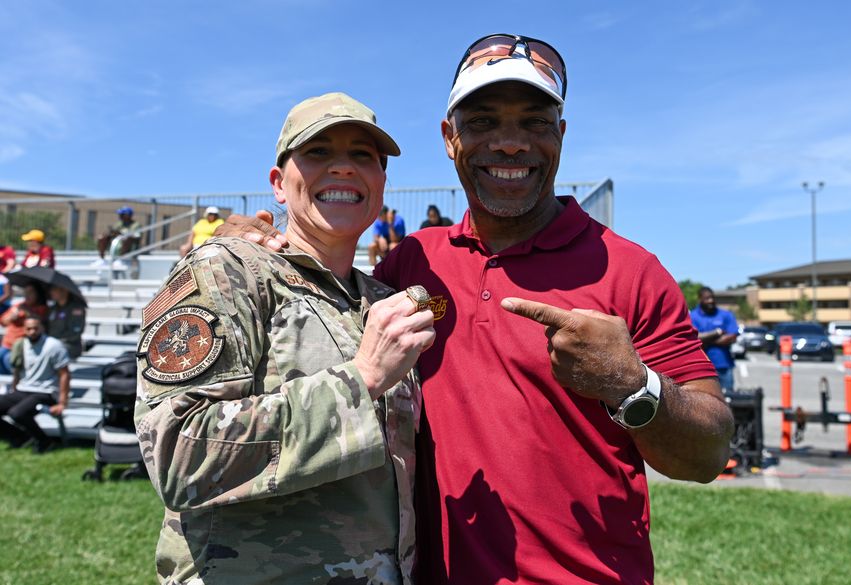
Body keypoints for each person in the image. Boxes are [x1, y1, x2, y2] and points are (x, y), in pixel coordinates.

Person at [219, 34, 734, 584]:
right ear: (450, 138)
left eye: (535, 122)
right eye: (483, 122)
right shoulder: (415, 260)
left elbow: (706, 455)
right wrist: (248, 240)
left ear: (560, 136)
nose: (511, 144)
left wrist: (633, 386)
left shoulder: (629, 269)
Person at [134, 92, 435, 584]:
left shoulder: (382, 299)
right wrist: (361, 381)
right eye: (318, 152)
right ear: (278, 183)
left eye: (363, 155)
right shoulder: (228, 271)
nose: (342, 168)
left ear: (382, 184)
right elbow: (177, 455)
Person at [0, 317, 70, 453]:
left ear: (42, 328)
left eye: (35, 328)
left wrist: (62, 402)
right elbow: (17, 371)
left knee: (16, 413)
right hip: (23, 389)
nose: (32, 332)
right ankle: (19, 437)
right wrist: (14, 390)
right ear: (24, 330)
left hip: (46, 392)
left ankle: (44, 441)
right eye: (29, 329)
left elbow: (64, 374)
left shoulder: (53, 346)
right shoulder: (21, 345)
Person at [690, 286, 739, 390]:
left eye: (712, 298)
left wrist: (706, 340)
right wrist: (718, 333)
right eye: (707, 298)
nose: (711, 301)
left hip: (724, 365)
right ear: (700, 299)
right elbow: (693, 338)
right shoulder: (692, 316)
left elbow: (732, 337)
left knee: (728, 399)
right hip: (702, 367)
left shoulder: (726, 315)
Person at [0, 283, 49, 375]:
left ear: (38, 293)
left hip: (23, 346)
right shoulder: (19, 305)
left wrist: (27, 312)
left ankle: (15, 384)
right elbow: (3, 321)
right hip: (7, 343)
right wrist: (11, 317)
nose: (27, 295)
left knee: (9, 360)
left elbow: (41, 323)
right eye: (25, 292)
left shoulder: (42, 308)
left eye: (30, 292)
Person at [47, 286, 87, 361]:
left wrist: (56, 343)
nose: (51, 292)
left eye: (54, 289)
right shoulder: (52, 309)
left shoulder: (76, 309)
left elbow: (75, 333)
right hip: (52, 344)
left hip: (70, 346)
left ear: (64, 291)